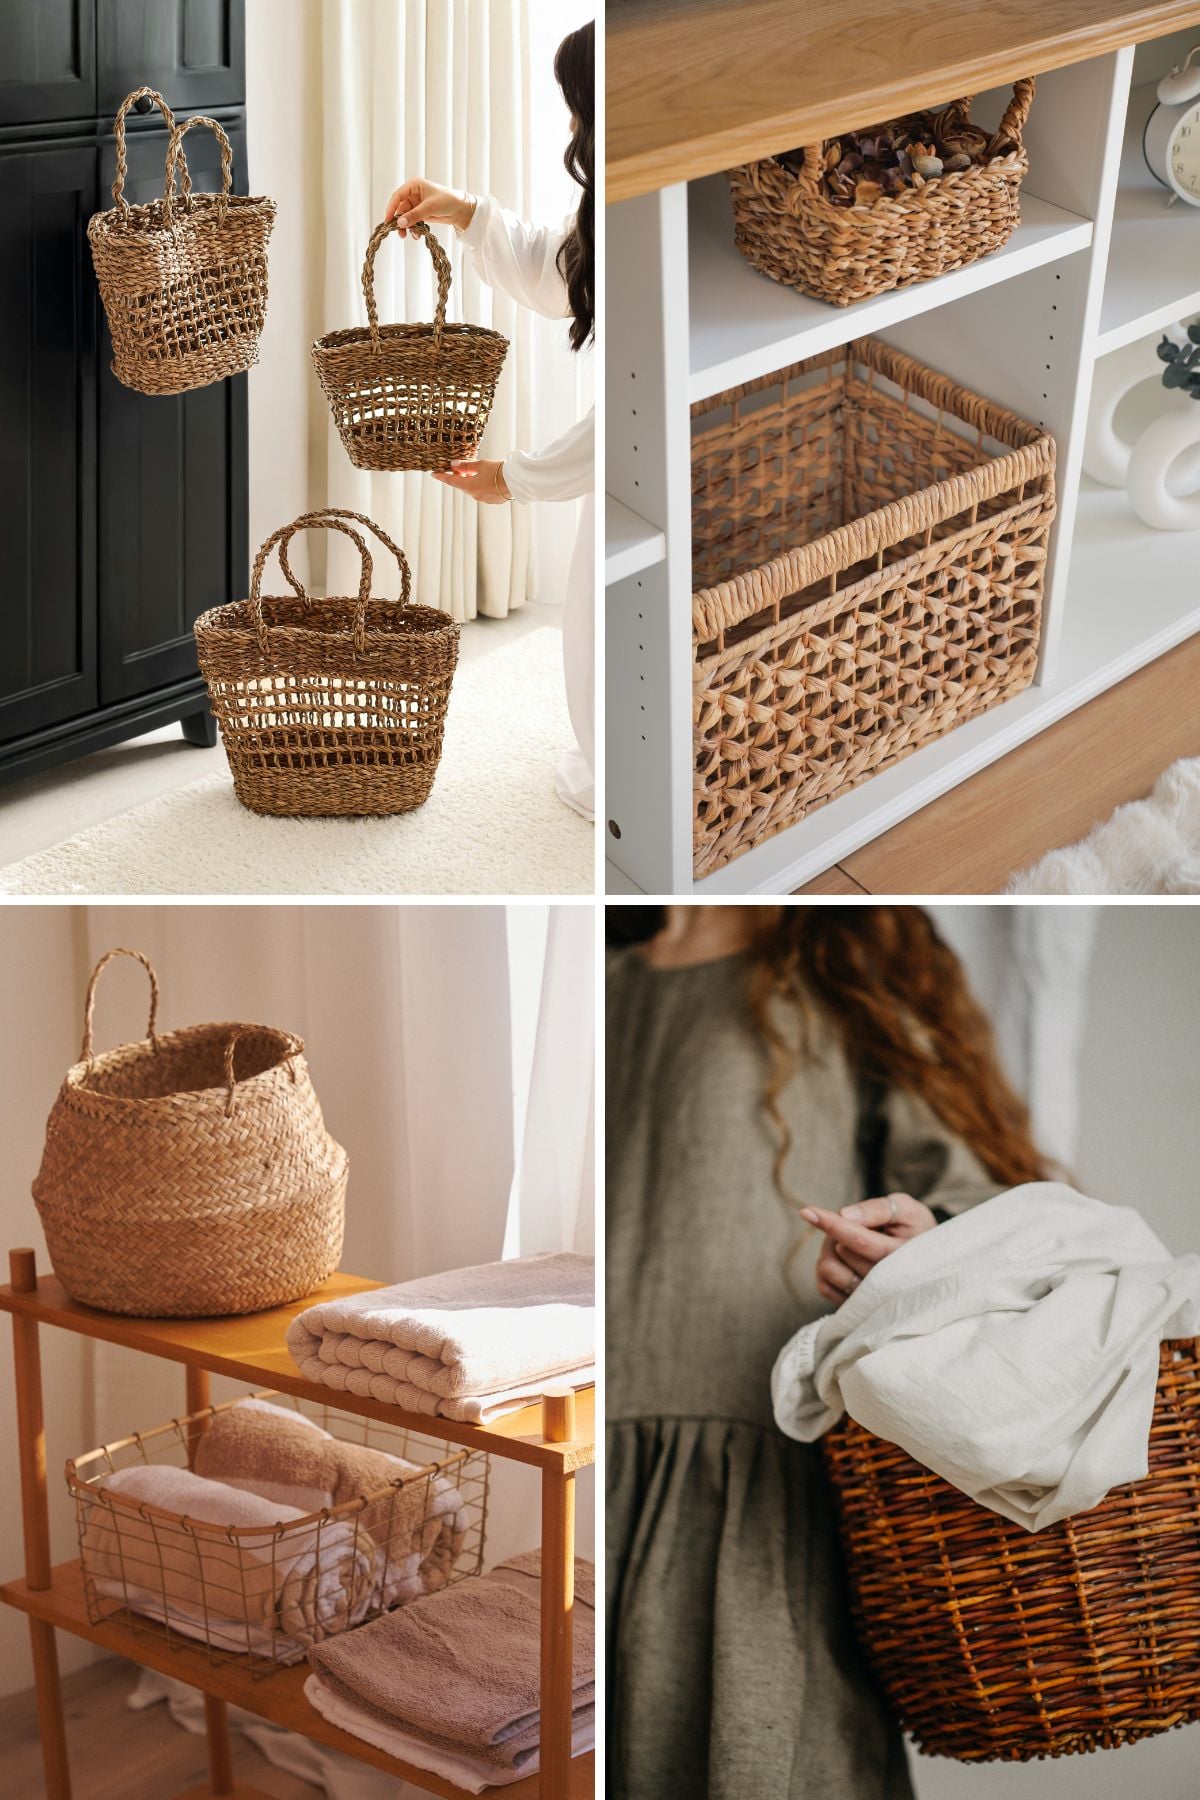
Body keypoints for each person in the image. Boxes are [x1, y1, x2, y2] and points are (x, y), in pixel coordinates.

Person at [606, 903, 1050, 1800]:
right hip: (585, 1469)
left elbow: (982, 1205)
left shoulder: (837, 965)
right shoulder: (594, 972)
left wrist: (918, 1245)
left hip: (755, 1495)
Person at [384, 21, 595, 821]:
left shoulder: (636, 209)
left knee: (602, 627)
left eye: (577, 108)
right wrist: (464, 211)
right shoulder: (612, 212)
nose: (569, 126)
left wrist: (517, 478)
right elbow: (568, 271)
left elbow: (630, 419)